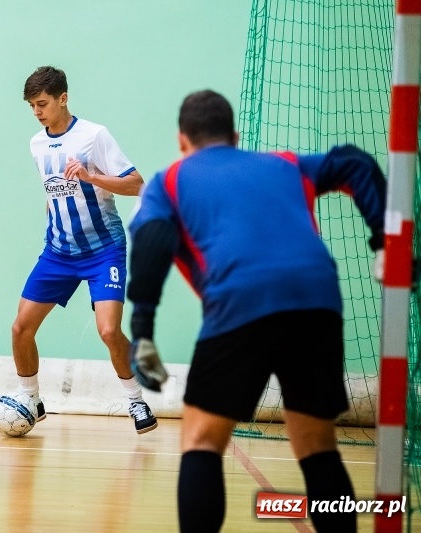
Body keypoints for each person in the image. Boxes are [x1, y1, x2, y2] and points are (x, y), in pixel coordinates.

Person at [127, 89, 386, 532]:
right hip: (317, 300)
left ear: (181, 140)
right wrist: (384, 241)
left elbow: (153, 242)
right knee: (318, 446)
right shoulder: (284, 163)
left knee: (202, 441)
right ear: (234, 136)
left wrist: (143, 329)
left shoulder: (169, 181)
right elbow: (355, 162)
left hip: (240, 299)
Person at [8, 66, 157, 435]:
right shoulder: (36, 144)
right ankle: (31, 399)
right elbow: (54, 190)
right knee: (21, 328)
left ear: (63, 98)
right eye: (31, 105)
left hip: (103, 250)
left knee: (108, 331)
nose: (37, 111)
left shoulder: (94, 136)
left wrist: (91, 177)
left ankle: (136, 400)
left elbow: (137, 184)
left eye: (42, 103)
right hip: (58, 252)